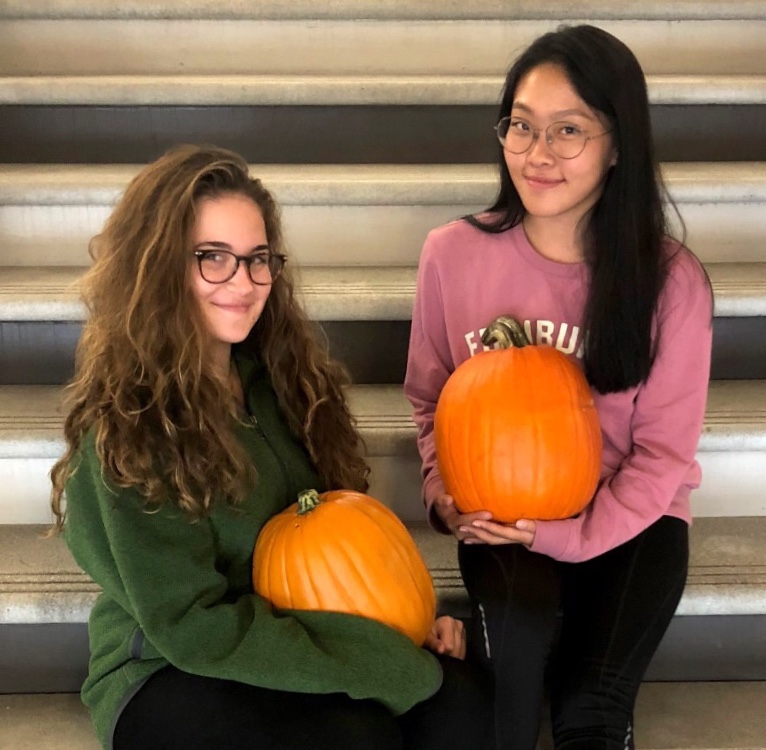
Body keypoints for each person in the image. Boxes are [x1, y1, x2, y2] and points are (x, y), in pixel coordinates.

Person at [50, 144, 494, 750]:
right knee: (355, 737)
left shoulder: (285, 385)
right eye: (213, 259)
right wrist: (376, 661)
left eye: (258, 259)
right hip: (168, 669)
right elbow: (192, 627)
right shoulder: (129, 432)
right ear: (155, 269)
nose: (244, 283)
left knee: (464, 702)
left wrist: (402, 625)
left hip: (297, 637)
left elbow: (343, 550)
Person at [404, 24, 713, 750]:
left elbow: (664, 455)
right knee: (508, 688)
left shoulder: (670, 281)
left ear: (617, 145)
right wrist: (443, 495)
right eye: (521, 125)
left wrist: (573, 539)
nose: (537, 154)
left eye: (568, 130)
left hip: (635, 522)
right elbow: (429, 401)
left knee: (590, 710)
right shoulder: (452, 255)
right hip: (504, 513)